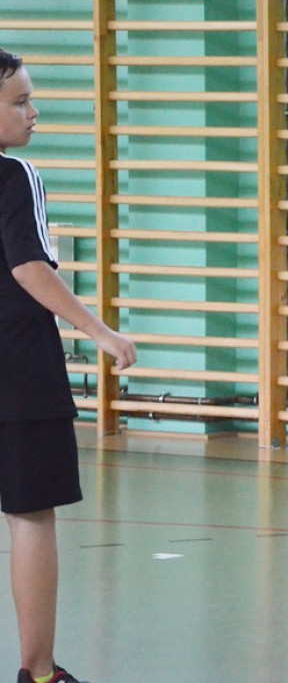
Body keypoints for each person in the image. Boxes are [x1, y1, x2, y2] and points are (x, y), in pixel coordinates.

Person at [0, 48, 137, 683]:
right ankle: (39, 673)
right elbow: (29, 268)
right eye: (20, 101)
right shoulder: (15, 177)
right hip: (18, 366)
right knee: (31, 513)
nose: (35, 112)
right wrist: (99, 331)